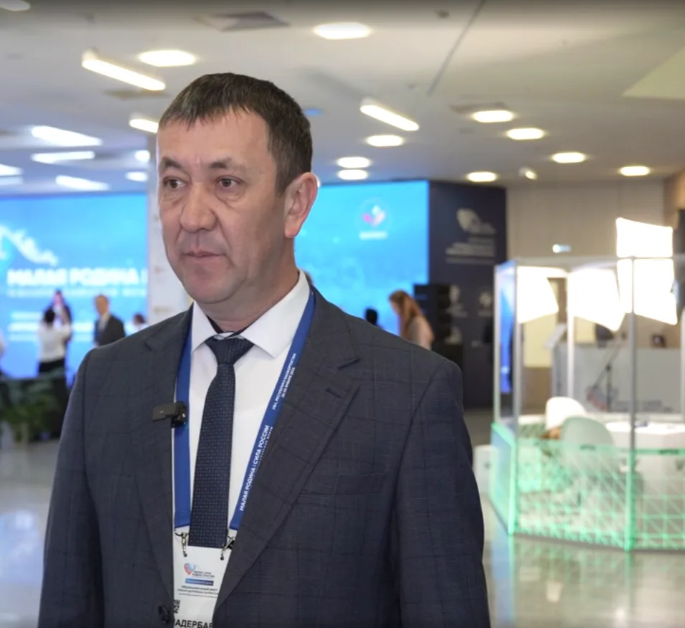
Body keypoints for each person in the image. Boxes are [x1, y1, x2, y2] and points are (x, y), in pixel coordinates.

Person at [39, 73, 488, 628]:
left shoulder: (406, 394)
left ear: (295, 204)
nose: (192, 217)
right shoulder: (108, 380)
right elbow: (69, 601)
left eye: (225, 182)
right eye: (174, 182)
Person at [37, 307, 71, 374]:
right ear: (54, 318)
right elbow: (68, 328)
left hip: (44, 361)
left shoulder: (40, 331)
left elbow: (40, 323)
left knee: (42, 380)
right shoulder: (58, 331)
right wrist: (63, 316)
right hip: (58, 360)